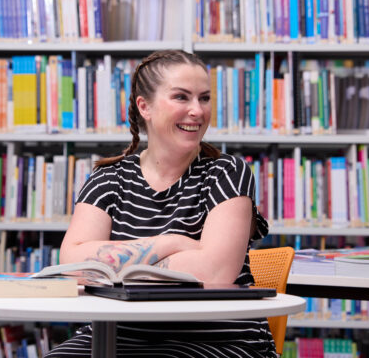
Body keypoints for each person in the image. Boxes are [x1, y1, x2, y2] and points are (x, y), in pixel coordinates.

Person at [46, 50, 276, 357]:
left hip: (218, 338)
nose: (197, 110)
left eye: (204, 98)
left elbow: (214, 272)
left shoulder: (227, 172)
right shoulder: (108, 178)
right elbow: (73, 266)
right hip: (119, 334)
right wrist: (173, 242)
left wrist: (118, 269)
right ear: (145, 107)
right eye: (182, 97)